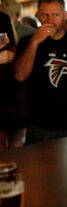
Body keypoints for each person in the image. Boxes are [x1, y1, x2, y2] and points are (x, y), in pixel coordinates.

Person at [15, 0, 67, 144]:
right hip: (38, 124)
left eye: (55, 15)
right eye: (45, 15)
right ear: (38, 15)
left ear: (64, 15)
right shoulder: (27, 41)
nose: (50, 20)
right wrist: (35, 42)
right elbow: (19, 75)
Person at [0, 12, 26, 150]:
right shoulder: (13, 49)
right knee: (16, 147)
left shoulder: (10, 51)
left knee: (5, 148)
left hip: (10, 103)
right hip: (15, 103)